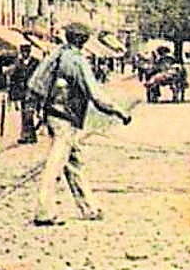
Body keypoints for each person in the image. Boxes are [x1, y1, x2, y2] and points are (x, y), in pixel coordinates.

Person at [26, 22, 131, 226]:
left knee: (74, 162)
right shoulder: (76, 60)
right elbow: (96, 95)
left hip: (54, 113)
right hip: (65, 117)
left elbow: (37, 82)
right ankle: (44, 211)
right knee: (56, 164)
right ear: (83, 40)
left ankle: (89, 208)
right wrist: (118, 111)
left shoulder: (58, 53)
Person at [8, 44, 39, 143]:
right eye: (23, 52)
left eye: (26, 52)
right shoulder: (18, 63)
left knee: (29, 114)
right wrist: (12, 94)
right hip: (22, 92)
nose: (25, 54)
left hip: (32, 91)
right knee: (24, 114)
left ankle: (29, 135)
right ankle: (28, 136)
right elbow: (14, 78)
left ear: (29, 52)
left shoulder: (35, 62)